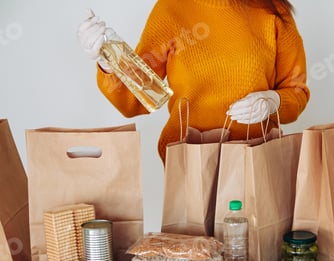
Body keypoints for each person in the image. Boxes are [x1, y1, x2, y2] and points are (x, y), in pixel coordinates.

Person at [78, 0, 310, 163]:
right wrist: (108, 61)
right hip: (189, 163)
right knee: (193, 235)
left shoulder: (274, 11)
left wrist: (274, 101)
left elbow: (296, 90)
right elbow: (136, 98)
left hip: (257, 159)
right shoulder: (171, 9)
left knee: (254, 233)